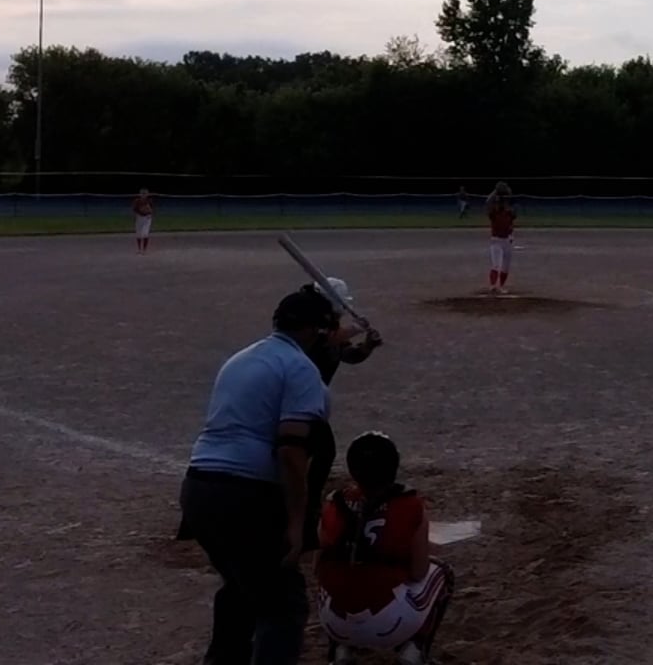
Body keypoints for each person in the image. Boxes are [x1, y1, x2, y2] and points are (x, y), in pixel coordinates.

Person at [176, 285, 337, 665]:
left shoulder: (241, 359)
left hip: (199, 489)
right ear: (315, 331)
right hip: (244, 495)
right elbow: (291, 452)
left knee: (240, 589)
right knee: (283, 606)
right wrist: (296, 524)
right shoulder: (300, 368)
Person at [315, 432, 454, 665]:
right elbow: (418, 572)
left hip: (335, 622)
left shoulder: (334, 502)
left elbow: (317, 567)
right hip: (391, 622)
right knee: (443, 572)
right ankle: (414, 652)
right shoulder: (410, 503)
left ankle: (340, 651)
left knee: (334, 571)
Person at [299, 278, 384, 550]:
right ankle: (302, 522)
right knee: (314, 457)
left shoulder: (332, 328)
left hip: (312, 404)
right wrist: (356, 327)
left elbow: (349, 354)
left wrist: (368, 345)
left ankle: (306, 519)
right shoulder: (306, 326)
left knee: (319, 457)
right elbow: (325, 339)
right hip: (296, 402)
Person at [485, 183, 517, 295]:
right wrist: (495, 191)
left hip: (507, 241)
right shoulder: (494, 213)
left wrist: (506, 194)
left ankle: (501, 286)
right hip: (496, 241)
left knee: (505, 267)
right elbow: (488, 202)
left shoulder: (510, 212)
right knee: (496, 265)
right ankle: (493, 286)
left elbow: (512, 205)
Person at [132, 189, 156, 254]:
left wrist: (150, 214)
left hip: (147, 218)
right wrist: (135, 217)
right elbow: (134, 210)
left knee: (145, 234)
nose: (143, 195)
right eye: (142, 193)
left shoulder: (149, 201)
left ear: (147, 194)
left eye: (145, 193)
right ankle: (139, 249)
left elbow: (152, 210)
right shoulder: (137, 201)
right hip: (139, 217)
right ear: (140, 194)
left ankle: (144, 250)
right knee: (138, 234)